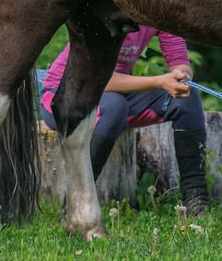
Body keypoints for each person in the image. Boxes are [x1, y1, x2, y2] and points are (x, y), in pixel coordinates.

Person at [39, 27, 209, 214]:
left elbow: (179, 60)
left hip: (116, 94)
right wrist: (159, 81)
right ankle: (75, 204)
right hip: (66, 95)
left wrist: (181, 76)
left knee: (186, 100)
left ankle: (196, 200)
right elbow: (94, 77)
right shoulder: (104, 11)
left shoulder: (157, 11)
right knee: (114, 107)